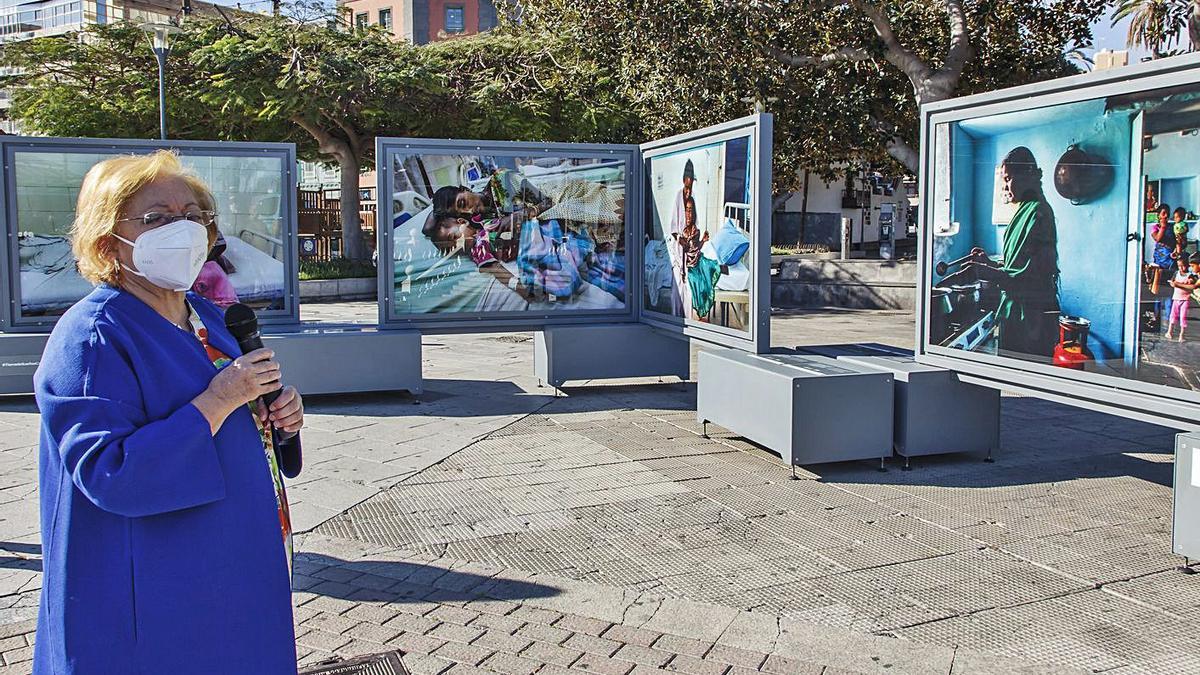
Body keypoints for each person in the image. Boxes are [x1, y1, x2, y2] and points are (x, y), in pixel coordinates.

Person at [34, 151, 302, 674]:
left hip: (232, 565)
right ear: (108, 240)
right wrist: (220, 399)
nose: (181, 229)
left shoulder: (206, 316)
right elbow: (109, 471)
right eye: (155, 218)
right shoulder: (94, 336)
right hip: (156, 589)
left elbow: (234, 413)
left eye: (192, 215)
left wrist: (276, 417)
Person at [957, 146, 1060, 359]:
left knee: (1027, 384)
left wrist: (985, 272)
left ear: (1028, 176)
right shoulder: (1023, 210)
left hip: (1031, 319)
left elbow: (1032, 279)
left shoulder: (1039, 213)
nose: (1005, 186)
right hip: (1015, 315)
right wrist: (989, 263)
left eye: (1009, 178)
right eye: (1004, 179)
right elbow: (1016, 266)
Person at [668, 160, 697, 317]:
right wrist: (680, 239)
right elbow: (673, 227)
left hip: (689, 246)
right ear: (683, 181)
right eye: (687, 186)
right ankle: (675, 317)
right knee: (677, 284)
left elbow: (694, 223)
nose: (688, 190)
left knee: (688, 289)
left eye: (690, 186)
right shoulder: (679, 196)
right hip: (679, 246)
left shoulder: (692, 199)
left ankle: (688, 319)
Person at [1166, 252, 1199, 341]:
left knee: (1183, 317)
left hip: (1185, 299)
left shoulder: (1190, 275)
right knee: (1173, 315)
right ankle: (1169, 331)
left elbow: (1193, 283)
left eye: (1183, 266)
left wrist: (1187, 281)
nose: (1181, 268)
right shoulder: (1177, 273)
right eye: (1179, 266)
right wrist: (1173, 283)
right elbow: (1172, 281)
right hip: (1176, 298)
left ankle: (1182, 334)